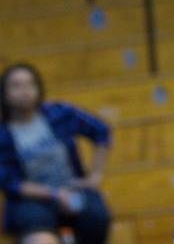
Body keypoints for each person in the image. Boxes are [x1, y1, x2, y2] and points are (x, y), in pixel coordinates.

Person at [0, 63, 112, 244]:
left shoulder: (59, 113)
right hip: (30, 200)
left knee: (97, 217)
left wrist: (95, 176)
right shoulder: (3, 134)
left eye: (29, 85)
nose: (24, 91)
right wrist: (54, 194)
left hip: (73, 188)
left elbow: (101, 131)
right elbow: (11, 184)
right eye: (17, 86)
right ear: (4, 94)